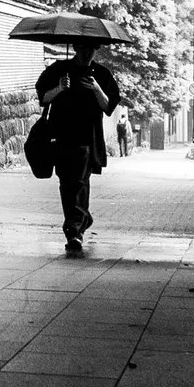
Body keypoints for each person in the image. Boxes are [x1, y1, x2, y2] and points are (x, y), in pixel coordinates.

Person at [37, 42, 121, 252]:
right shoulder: (58, 70)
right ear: (75, 47)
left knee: (79, 182)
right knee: (67, 184)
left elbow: (108, 107)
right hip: (61, 136)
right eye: (84, 48)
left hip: (87, 139)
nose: (88, 52)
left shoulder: (101, 74)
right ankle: (81, 220)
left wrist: (96, 88)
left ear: (96, 50)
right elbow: (43, 98)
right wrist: (59, 88)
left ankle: (74, 230)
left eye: (92, 49)